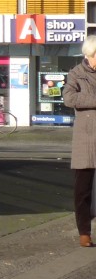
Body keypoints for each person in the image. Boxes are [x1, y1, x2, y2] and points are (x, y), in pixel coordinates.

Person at [62, 35, 96, 248]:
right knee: (82, 190)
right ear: (89, 54)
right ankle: (85, 232)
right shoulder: (76, 74)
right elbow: (69, 99)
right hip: (86, 138)